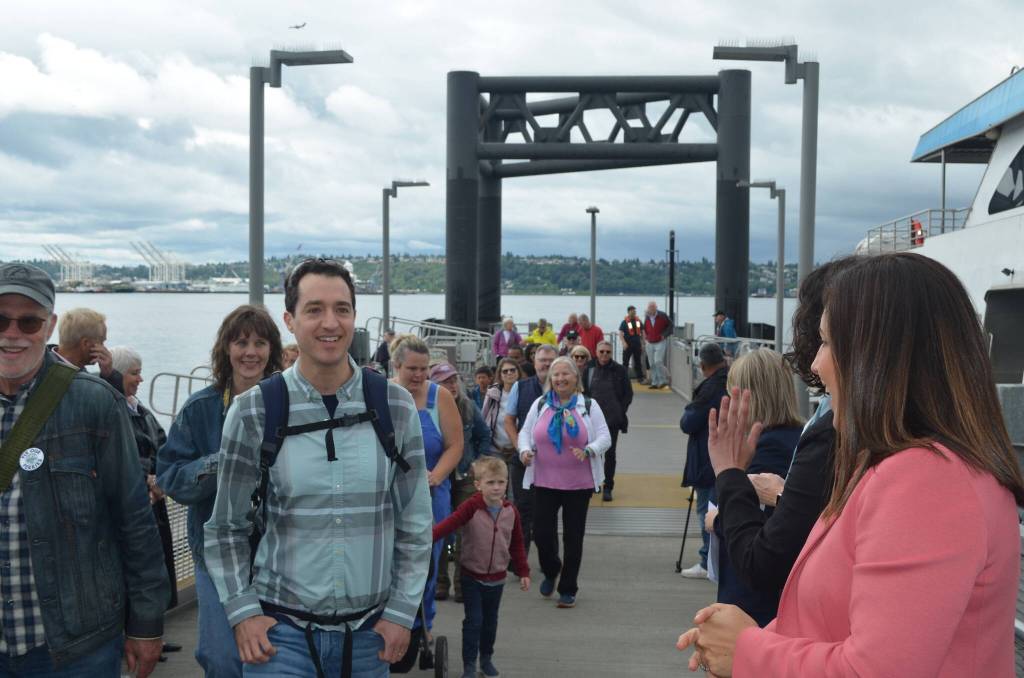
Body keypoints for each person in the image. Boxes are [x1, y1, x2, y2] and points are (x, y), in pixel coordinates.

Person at [678, 252, 1024, 677]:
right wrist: (748, 639)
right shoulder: (907, 467)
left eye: (826, 343)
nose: (816, 365)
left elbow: (876, 670)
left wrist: (748, 650)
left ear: (877, 357)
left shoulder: (928, 481)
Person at [203, 259, 433, 677]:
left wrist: (402, 613)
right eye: (314, 310)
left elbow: (415, 521)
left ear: (354, 317)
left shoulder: (394, 406)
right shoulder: (254, 411)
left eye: (342, 309)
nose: (330, 322)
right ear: (290, 321)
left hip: (370, 638)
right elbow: (225, 527)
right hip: (281, 637)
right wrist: (243, 612)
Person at [0, 262, 168, 676]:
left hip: (76, 644)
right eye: (0, 320)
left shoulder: (94, 403)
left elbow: (133, 518)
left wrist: (145, 624)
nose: (12, 333)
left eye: (28, 322)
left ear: (50, 325)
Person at [706, 258, 860, 612]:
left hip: (763, 611)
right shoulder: (819, 428)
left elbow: (765, 557)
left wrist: (729, 475)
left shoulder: (823, 436)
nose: (814, 363)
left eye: (825, 342)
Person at [156, 304, 283, 677]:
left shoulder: (289, 406)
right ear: (226, 348)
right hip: (214, 554)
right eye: (241, 343)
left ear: (272, 350)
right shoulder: (200, 409)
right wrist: (224, 459)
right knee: (221, 656)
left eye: (260, 343)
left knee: (272, 657)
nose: (250, 352)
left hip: (279, 554)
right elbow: (171, 478)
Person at [704, 350, 803, 627]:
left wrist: (717, 520)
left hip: (752, 601)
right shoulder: (798, 439)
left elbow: (763, 529)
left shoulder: (765, 449)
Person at [517, 356, 611, 609]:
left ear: (575, 377)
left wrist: (589, 450)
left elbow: (605, 437)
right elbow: (525, 433)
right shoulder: (541, 404)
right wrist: (524, 451)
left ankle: (568, 588)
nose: (560, 379)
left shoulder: (588, 405)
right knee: (542, 533)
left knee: (573, 537)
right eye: (555, 375)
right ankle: (551, 570)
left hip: (579, 483)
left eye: (565, 374)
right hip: (544, 480)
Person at [389, 334, 463, 633]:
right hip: (391, 495)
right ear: (396, 366)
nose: (419, 375)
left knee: (427, 563)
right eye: (412, 369)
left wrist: (437, 475)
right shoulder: (383, 395)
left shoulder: (439, 397)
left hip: (432, 493)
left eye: (424, 369)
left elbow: (455, 446)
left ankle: (423, 625)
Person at [110, 346, 181, 656]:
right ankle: (135, 635)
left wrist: (162, 479)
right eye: (134, 373)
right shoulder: (114, 410)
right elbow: (120, 456)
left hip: (154, 499)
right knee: (135, 572)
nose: (140, 379)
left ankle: (153, 632)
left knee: (158, 566)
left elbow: (164, 446)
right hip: (135, 503)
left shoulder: (140, 410)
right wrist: (147, 481)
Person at [433, 456, 530, 678]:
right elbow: (450, 523)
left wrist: (523, 570)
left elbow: (517, 543)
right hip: (472, 576)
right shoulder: (471, 507)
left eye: (501, 482)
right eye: (490, 482)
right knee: (474, 621)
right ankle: (469, 664)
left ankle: (486, 659)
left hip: (497, 578)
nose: (496, 487)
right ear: (478, 485)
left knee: (490, 622)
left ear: (507, 483)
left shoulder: (510, 512)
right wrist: (429, 537)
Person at [430, 362, 492, 604]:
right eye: (445, 381)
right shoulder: (428, 409)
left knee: (465, 530)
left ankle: (462, 584)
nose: (452, 385)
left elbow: (483, 435)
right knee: (441, 530)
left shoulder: (468, 406)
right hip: (438, 477)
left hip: (465, 475)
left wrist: (478, 462)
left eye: (454, 380)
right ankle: (440, 582)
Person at [678, 343, 728, 579]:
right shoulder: (732, 381)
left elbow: (688, 423)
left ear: (703, 365)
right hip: (728, 455)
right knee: (720, 508)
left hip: (707, 458)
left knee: (706, 509)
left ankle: (708, 560)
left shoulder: (709, 389)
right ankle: (717, 560)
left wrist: (688, 411)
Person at [502, 343, 558, 555]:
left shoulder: (565, 389)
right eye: (542, 360)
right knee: (522, 510)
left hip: (554, 463)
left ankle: (550, 559)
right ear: (534, 363)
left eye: (550, 360)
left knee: (548, 512)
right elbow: (509, 421)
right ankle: (519, 559)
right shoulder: (520, 387)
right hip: (524, 460)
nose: (546, 364)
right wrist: (520, 447)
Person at [582, 341, 633, 502]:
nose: (604, 354)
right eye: (602, 351)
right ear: (596, 352)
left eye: (608, 352)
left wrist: (620, 410)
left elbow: (628, 394)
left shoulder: (620, 370)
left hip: (612, 419)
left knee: (610, 454)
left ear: (611, 353)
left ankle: (608, 486)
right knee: (592, 452)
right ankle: (594, 483)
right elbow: (583, 391)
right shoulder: (589, 368)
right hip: (591, 419)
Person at [50, 307, 126, 393]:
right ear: (86, 343)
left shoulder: (42, 365)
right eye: (101, 342)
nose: (104, 348)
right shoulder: (51, 374)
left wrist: (109, 375)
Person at [643, 301, 672, 389]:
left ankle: (662, 381)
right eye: (649, 307)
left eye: (653, 307)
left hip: (660, 342)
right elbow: (645, 327)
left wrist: (664, 335)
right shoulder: (647, 317)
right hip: (649, 342)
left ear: (656, 307)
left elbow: (671, 326)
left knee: (658, 361)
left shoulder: (662, 315)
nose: (651, 309)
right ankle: (654, 382)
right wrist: (646, 336)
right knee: (651, 363)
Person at [618, 305, 645, 382]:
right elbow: (620, 333)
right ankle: (623, 378)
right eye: (632, 311)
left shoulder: (638, 321)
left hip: (637, 344)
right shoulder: (624, 322)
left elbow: (642, 332)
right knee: (625, 362)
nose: (634, 312)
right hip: (628, 344)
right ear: (628, 312)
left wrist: (643, 343)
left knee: (638, 362)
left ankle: (640, 377)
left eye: (634, 311)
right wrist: (624, 343)